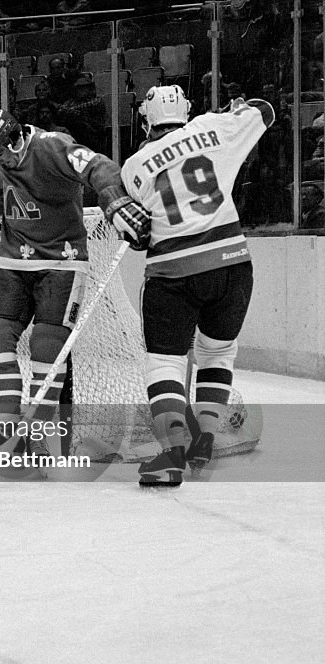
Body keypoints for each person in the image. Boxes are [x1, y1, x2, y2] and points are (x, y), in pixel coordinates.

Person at [0, 108, 149, 460]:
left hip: (61, 261)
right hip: (12, 259)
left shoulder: (52, 148)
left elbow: (99, 165)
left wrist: (115, 199)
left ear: (16, 137)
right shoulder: (4, 155)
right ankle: (6, 430)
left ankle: (38, 431)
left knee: (47, 346)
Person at [120, 85, 275, 487]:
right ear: (186, 111)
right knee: (218, 353)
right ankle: (204, 438)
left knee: (165, 363)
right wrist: (234, 109)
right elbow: (266, 110)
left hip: (172, 273)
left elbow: (135, 234)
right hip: (232, 266)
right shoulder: (215, 126)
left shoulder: (134, 166)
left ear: (145, 119)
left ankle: (172, 454)